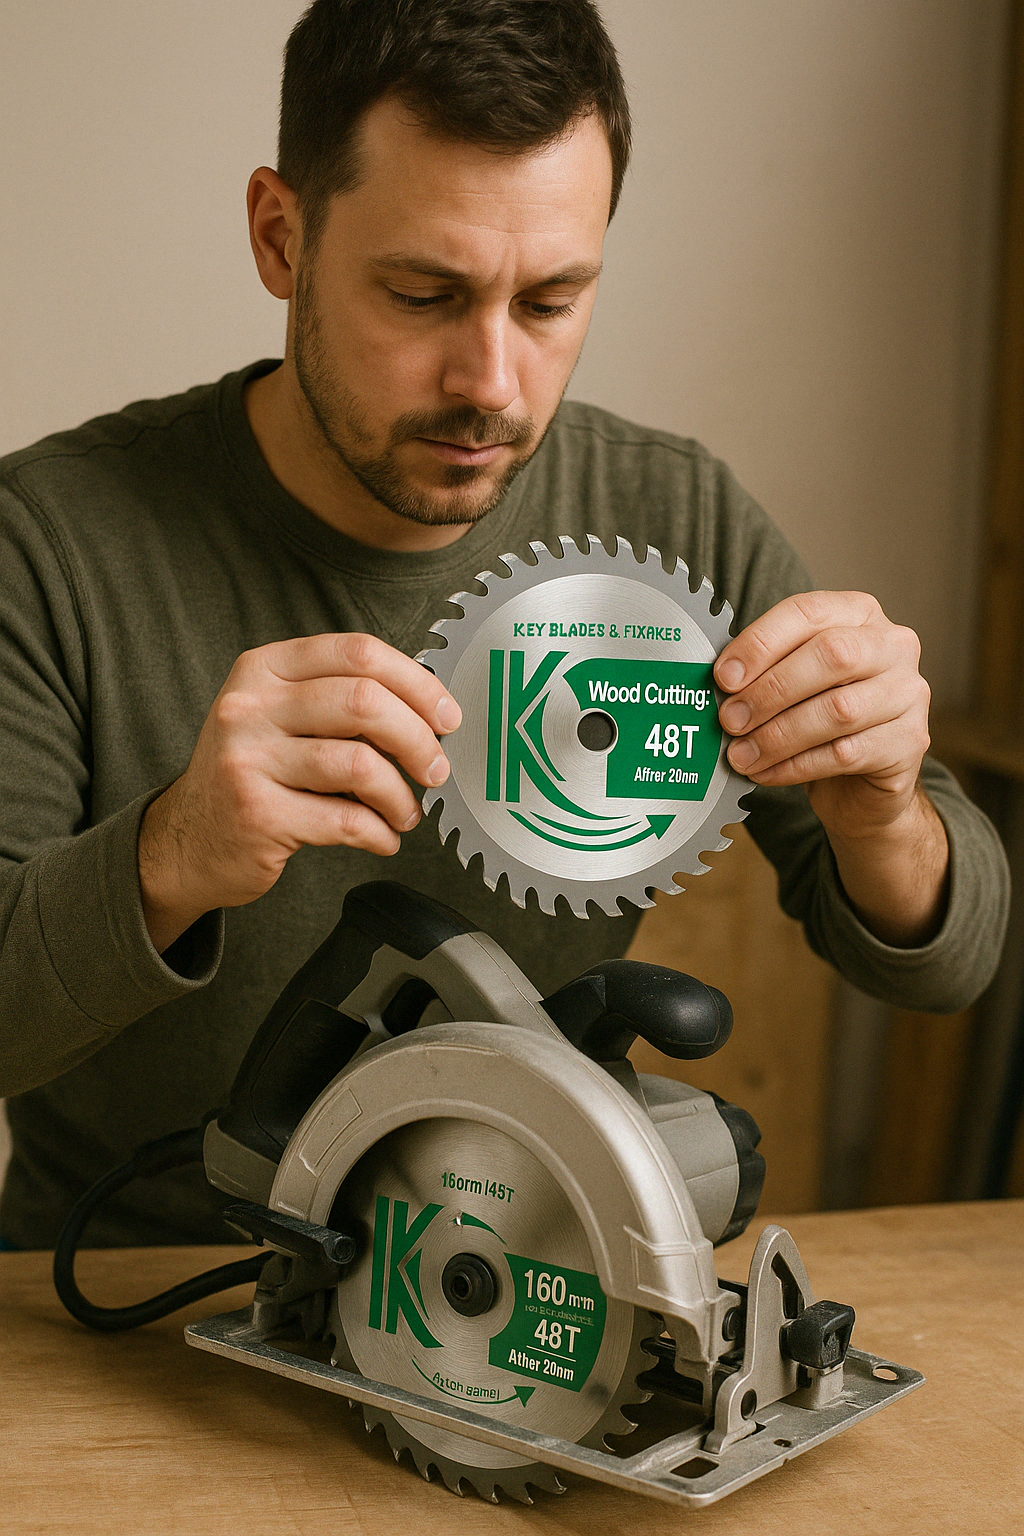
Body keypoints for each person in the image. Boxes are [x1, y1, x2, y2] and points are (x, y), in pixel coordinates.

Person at [0, 0, 1008, 1249]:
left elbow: (947, 962)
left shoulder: (673, 513)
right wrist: (170, 854)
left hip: (518, 1303)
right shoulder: (46, 539)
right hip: (117, 1303)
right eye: (423, 295)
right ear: (280, 235)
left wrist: (884, 811)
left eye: (550, 303)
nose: (491, 382)